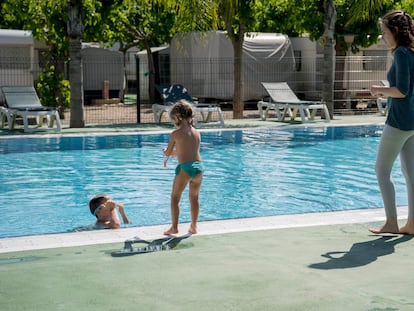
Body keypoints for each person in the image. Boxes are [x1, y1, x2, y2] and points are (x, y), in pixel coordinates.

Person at [369, 10, 414, 234]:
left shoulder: (402, 54)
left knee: (381, 170)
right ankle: (412, 224)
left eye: (385, 32)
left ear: (395, 31)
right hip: (412, 121)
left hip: (399, 122)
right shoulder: (412, 52)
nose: (383, 36)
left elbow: (402, 91)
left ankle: (392, 222)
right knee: (410, 173)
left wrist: (379, 90)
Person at [163, 100, 204, 235]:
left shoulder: (175, 134)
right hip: (199, 167)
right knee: (194, 197)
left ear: (178, 117)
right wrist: (177, 153)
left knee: (175, 197)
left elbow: (168, 152)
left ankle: (174, 227)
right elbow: (190, 151)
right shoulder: (197, 132)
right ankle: (194, 226)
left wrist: (166, 152)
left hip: (185, 168)